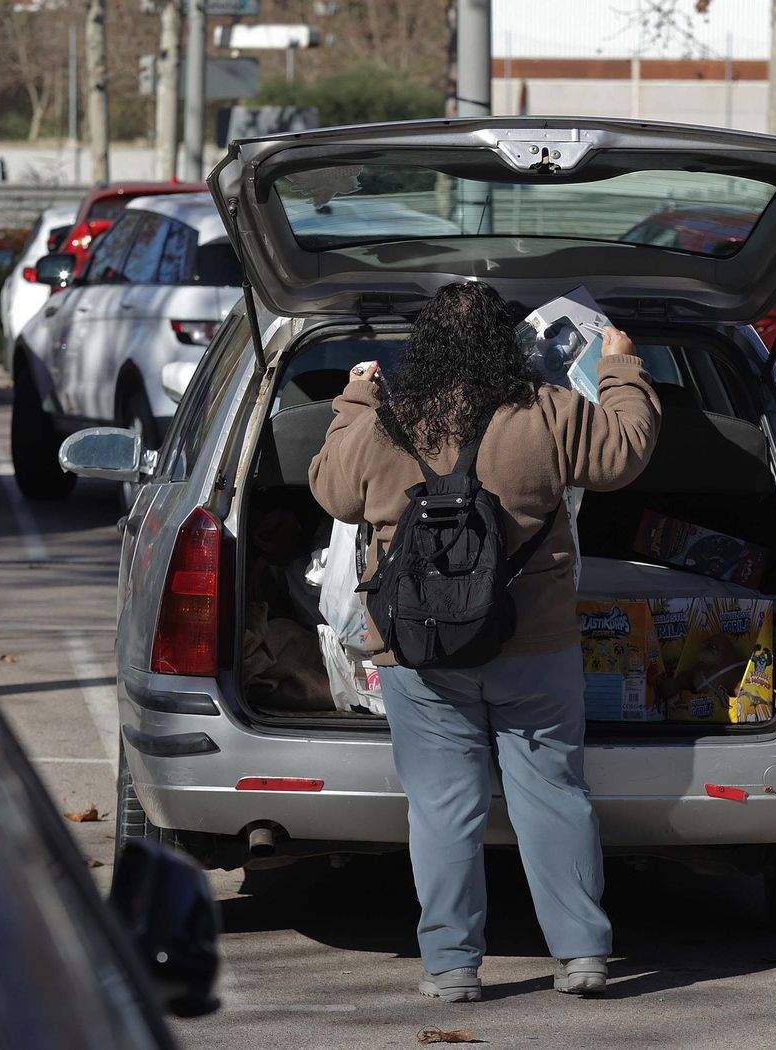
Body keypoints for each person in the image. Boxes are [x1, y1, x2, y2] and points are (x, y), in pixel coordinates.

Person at [309, 281, 662, 1002]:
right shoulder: (549, 411)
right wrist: (621, 368)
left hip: (417, 647)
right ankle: (582, 955)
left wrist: (354, 399)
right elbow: (625, 452)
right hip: (534, 643)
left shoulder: (385, 421)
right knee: (553, 795)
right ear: (506, 345)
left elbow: (333, 492)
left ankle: (451, 967)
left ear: (424, 348)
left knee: (443, 806)